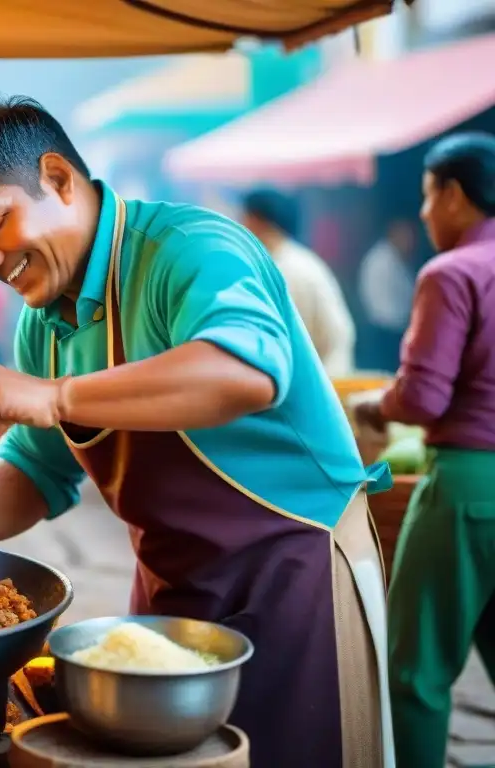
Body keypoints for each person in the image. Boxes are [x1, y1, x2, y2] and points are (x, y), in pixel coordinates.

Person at [0, 97, 392, 768]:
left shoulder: (190, 249)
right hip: (172, 591)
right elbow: (37, 470)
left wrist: (55, 394)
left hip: (295, 578)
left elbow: (244, 370)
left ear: (60, 179)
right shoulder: (43, 324)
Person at [354, 132, 495, 768]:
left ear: (456, 195)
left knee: (416, 670)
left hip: (466, 488)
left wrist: (373, 407)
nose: (422, 213)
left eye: (427, 196)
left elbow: (424, 399)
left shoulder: (452, 272)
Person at [240, 189, 356, 376]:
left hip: (321, 383)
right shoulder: (296, 260)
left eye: (244, 219)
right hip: (326, 377)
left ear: (257, 221)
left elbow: (283, 343)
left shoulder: (287, 270)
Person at [358, 220, 417, 372]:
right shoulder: (381, 261)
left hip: (395, 332)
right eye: (406, 236)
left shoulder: (397, 259)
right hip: (384, 333)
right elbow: (387, 308)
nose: (410, 242)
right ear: (393, 233)